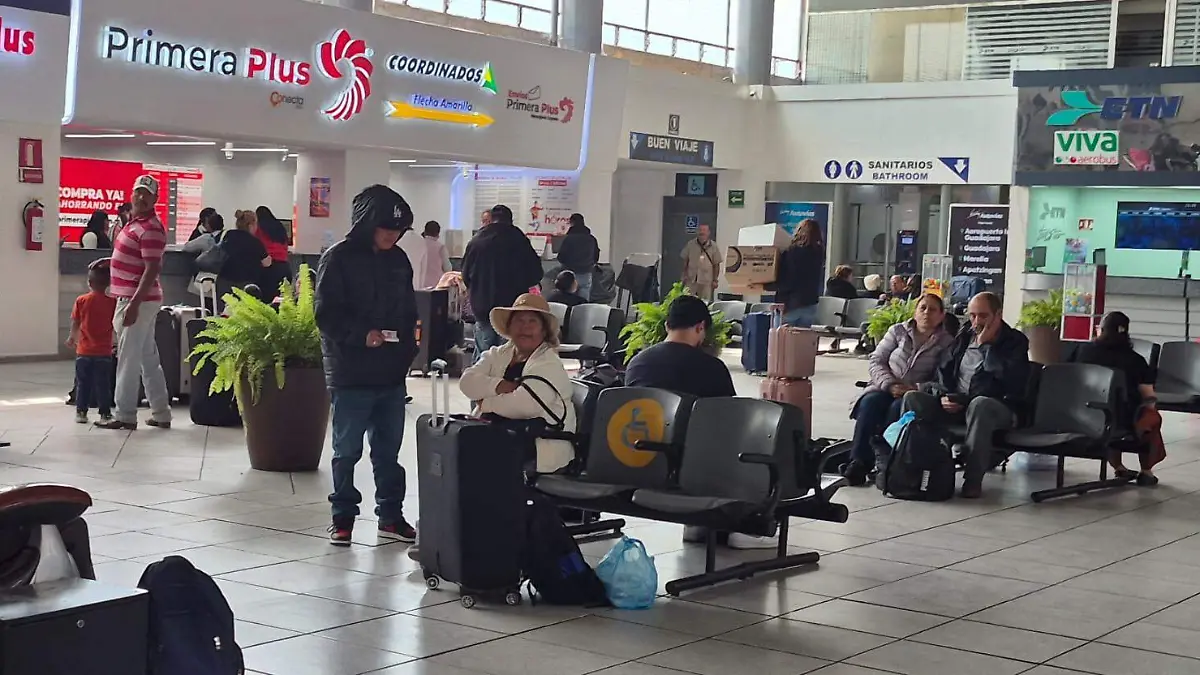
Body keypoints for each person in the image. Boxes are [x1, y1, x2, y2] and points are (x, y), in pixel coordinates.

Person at [626, 294, 774, 548]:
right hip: (689, 464)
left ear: (666, 326)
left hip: (636, 455)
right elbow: (731, 420)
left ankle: (699, 524)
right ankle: (742, 526)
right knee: (750, 445)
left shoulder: (637, 363)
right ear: (700, 328)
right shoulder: (710, 367)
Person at [315, 184, 419, 546]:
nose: (392, 236)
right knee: (347, 451)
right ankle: (342, 517)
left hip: (391, 374)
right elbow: (325, 315)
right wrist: (361, 335)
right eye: (386, 228)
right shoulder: (338, 258)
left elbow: (408, 310)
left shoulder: (399, 260)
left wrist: (408, 348)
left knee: (389, 452)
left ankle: (390, 516)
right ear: (365, 224)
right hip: (351, 373)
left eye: (398, 230)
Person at [900, 292, 1030, 498]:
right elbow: (942, 374)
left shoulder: (1015, 341)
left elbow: (1009, 381)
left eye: (983, 316)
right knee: (913, 399)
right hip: (959, 404)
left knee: (980, 404)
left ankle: (972, 480)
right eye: (972, 316)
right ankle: (910, 469)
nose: (976, 322)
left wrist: (987, 346)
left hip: (999, 407)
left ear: (998, 315)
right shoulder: (964, 337)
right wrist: (943, 396)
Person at [843, 294, 954, 485]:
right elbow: (877, 360)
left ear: (941, 316)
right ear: (915, 311)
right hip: (885, 385)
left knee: (897, 409)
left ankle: (886, 462)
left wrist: (914, 388)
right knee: (870, 403)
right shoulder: (898, 331)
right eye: (923, 308)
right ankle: (858, 463)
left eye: (933, 309)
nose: (926, 313)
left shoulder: (947, 343)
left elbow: (942, 377)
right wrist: (890, 384)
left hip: (915, 395)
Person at [460, 293, 577, 473]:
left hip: (540, 443)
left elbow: (525, 405)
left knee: (477, 456)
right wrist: (499, 386)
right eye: (519, 321)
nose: (525, 327)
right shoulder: (498, 353)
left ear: (543, 330)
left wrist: (486, 402)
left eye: (532, 321)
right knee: (457, 444)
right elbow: (467, 383)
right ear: (510, 327)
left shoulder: (549, 363)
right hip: (501, 433)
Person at [95, 175, 172, 431]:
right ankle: (161, 411)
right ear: (131, 194)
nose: (141, 197)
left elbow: (151, 270)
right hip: (134, 297)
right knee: (147, 358)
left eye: (146, 194)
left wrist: (134, 305)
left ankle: (125, 414)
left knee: (128, 358)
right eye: (138, 192)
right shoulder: (135, 224)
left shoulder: (151, 228)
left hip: (137, 300)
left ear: (155, 199)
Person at [1072, 311, 1165, 485]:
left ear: (1100, 330)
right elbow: (1148, 396)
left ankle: (1119, 467)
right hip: (1120, 421)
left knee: (1115, 410)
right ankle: (1146, 471)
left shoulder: (1081, 351)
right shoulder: (1136, 361)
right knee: (1150, 417)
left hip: (1078, 413)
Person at [462, 204, 544, 360]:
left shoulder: (476, 241)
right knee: (508, 355)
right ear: (510, 220)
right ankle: (504, 383)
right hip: (511, 309)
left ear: (491, 220)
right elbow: (535, 273)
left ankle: (481, 383)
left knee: (484, 356)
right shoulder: (519, 240)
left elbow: (466, 275)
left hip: (482, 307)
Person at [67, 263, 118, 425]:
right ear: (108, 283)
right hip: (104, 352)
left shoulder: (81, 300)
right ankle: (105, 413)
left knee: (83, 384)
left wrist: (72, 338)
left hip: (84, 351)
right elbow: (116, 325)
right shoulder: (113, 302)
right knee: (103, 385)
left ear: (89, 282)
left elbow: (76, 322)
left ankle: (81, 412)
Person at [771, 219, 825, 327]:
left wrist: (766, 286)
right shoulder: (818, 253)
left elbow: (787, 281)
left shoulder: (791, 252)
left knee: (782, 340)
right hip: (810, 304)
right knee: (802, 340)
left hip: (789, 305)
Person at [218, 211, 272, 300]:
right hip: (246, 282)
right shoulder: (254, 242)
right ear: (251, 225)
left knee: (225, 309)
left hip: (224, 279)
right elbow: (266, 263)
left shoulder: (228, 235)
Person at [556, 213, 600, 302]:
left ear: (572, 223)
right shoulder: (591, 239)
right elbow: (596, 256)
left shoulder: (569, 239)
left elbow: (561, 257)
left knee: (568, 300)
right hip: (586, 273)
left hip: (569, 275)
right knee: (583, 302)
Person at [255, 206, 293, 297]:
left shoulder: (259, 228)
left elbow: (256, 246)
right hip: (285, 268)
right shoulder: (280, 226)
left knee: (267, 302)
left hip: (269, 268)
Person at [680, 224, 722, 301]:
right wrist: (684, 275)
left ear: (708, 233)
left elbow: (716, 264)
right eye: (700, 230)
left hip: (706, 280)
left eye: (704, 230)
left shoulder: (713, 246)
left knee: (704, 302)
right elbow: (685, 261)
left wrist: (715, 280)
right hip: (691, 279)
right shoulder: (691, 244)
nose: (701, 232)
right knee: (687, 301)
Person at [420, 221, 452, 290]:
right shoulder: (441, 247)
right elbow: (447, 268)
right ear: (438, 233)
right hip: (437, 285)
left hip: (420, 285)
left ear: (425, 231)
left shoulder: (419, 244)